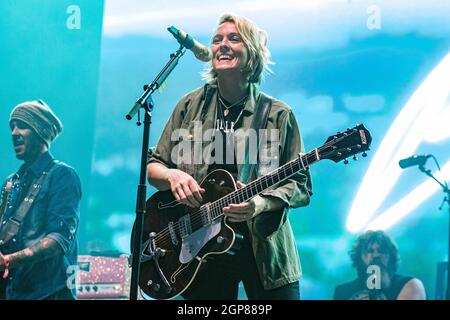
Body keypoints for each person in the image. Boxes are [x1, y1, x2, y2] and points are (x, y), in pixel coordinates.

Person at [147, 13, 312, 300]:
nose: (223, 45)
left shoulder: (277, 115)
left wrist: (258, 204)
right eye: (217, 40)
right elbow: (153, 166)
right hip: (200, 251)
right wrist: (172, 175)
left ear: (253, 54)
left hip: (264, 250)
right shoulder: (189, 106)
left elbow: (300, 185)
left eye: (234, 39)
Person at [0, 100, 81, 300]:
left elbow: (59, 239)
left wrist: (8, 260)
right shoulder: (11, 182)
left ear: (41, 131)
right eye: (12, 126)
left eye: (23, 125)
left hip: (49, 293)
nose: (14, 133)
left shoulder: (62, 175)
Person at [333, 230, 426, 300]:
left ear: (391, 257)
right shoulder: (343, 291)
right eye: (369, 251)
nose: (376, 255)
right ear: (359, 257)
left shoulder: (410, 285)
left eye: (382, 251)